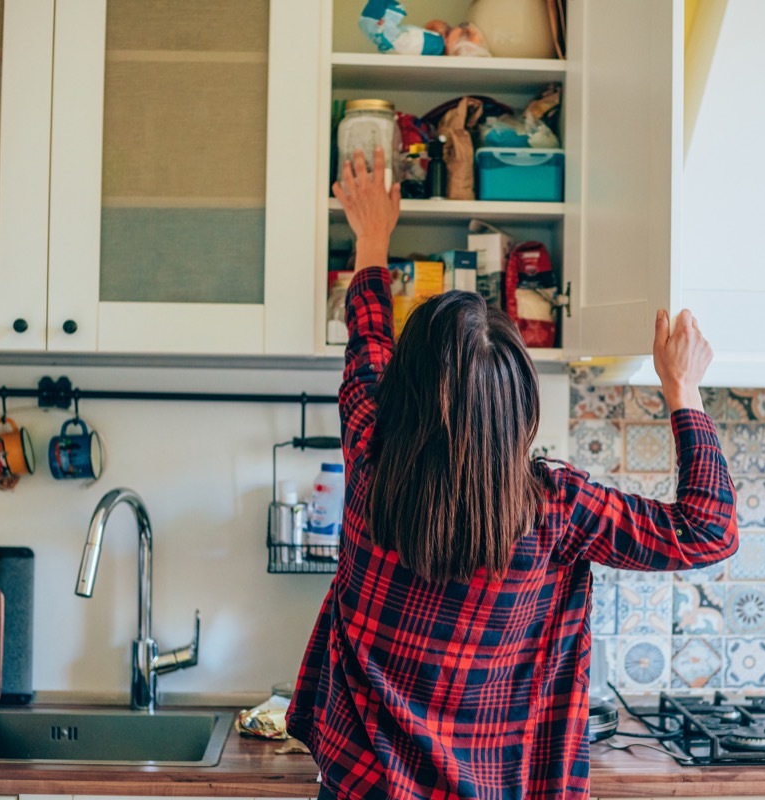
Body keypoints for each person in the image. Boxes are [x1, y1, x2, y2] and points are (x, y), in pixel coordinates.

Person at [287, 148, 740, 799]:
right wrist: (683, 389)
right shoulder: (559, 509)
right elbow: (709, 531)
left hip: (362, 785)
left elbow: (368, 342)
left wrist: (371, 239)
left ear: (402, 395)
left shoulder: (369, 452)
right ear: (521, 406)